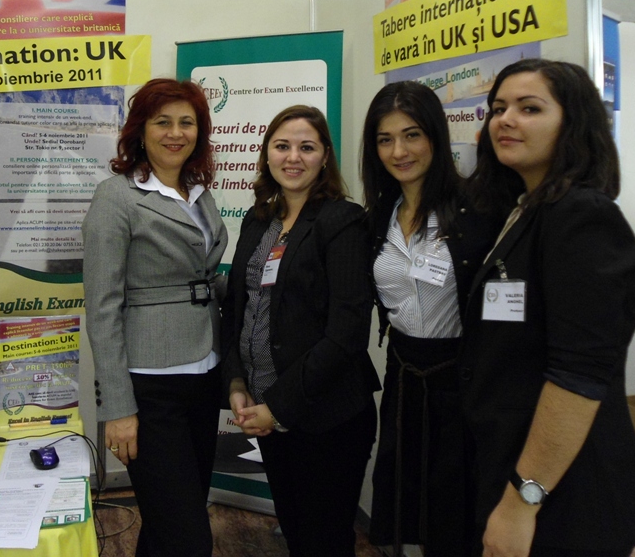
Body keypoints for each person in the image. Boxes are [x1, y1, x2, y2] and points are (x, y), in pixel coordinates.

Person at [463, 59, 635, 557]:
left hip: (567, 491)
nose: (505, 120)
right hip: (520, 464)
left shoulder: (583, 216)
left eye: (529, 108)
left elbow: (578, 376)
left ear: (573, 122)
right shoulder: (527, 208)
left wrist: (522, 501)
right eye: (498, 108)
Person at [221, 105, 379, 557]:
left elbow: (347, 333)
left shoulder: (341, 221)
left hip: (327, 417)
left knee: (323, 541)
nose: (293, 157)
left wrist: (278, 407)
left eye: (306, 147)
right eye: (282, 146)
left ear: (325, 156)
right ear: (267, 154)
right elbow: (238, 307)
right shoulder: (258, 220)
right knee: (294, 528)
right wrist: (236, 381)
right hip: (269, 411)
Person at [82, 78, 227, 557]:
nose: (176, 133)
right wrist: (117, 408)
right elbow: (103, 307)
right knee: (189, 538)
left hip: (204, 376)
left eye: (187, 122)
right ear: (140, 131)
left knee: (169, 524)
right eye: (163, 122)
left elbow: (203, 276)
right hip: (149, 387)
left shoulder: (199, 193)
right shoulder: (117, 197)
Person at [361, 81, 502, 557]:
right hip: (404, 376)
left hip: (461, 380)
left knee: (458, 510)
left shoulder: (477, 211)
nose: (398, 152)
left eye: (412, 135)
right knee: (410, 504)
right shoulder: (378, 217)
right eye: (385, 139)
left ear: (436, 136)